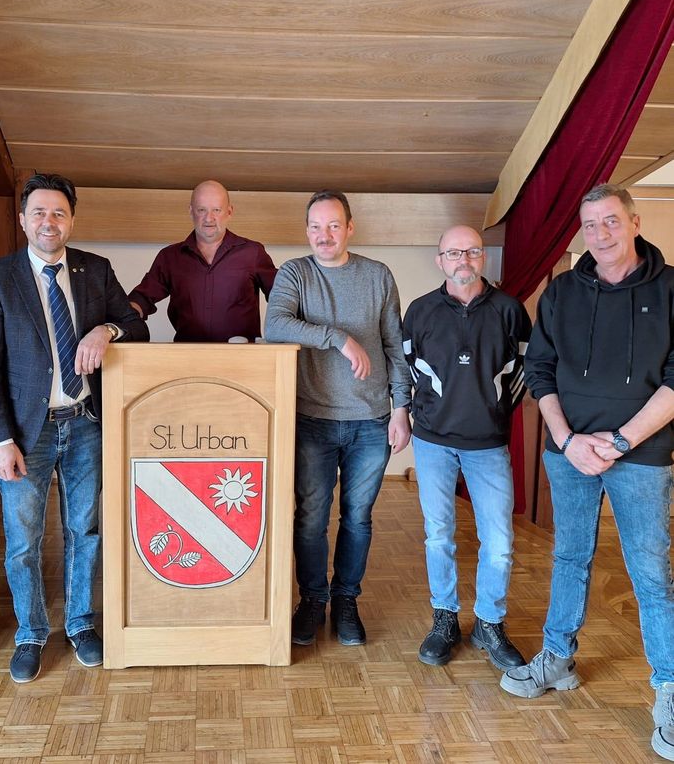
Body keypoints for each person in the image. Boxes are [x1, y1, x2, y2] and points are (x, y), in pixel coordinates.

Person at [499, 184, 674, 762]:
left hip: (641, 455)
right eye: (590, 224)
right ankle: (558, 658)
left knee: (650, 575)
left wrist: (621, 441)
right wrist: (568, 440)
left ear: (635, 222)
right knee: (569, 557)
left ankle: (669, 690)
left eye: (610, 221)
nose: (600, 233)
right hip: (570, 454)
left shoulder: (671, 288)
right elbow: (540, 370)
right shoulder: (562, 292)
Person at [0, 172, 149, 683]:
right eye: (39, 213)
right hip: (25, 432)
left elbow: (136, 326)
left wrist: (105, 329)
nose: (49, 222)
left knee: (83, 530)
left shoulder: (95, 269)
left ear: (71, 220)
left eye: (59, 213)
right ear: (22, 219)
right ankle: (31, 632)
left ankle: (80, 623)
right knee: (23, 540)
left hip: (85, 422)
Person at [265, 189, 411, 646]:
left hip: (372, 420)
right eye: (315, 226)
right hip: (313, 419)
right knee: (311, 518)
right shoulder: (295, 273)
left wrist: (402, 407)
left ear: (349, 228)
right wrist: (338, 337)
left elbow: (394, 345)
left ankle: (346, 600)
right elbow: (275, 326)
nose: (324, 235)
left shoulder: (377, 275)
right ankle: (312, 600)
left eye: (333, 225)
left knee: (358, 517)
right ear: (306, 230)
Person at [403, 225, 530, 670]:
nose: (463, 260)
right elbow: (408, 367)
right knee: (439, 535)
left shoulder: (510, 311)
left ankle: (489, 623)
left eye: (472, 251)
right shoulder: (419, 311)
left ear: (482, 258)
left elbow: (523, 372)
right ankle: (445, 618)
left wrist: (493, 414)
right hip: (432, 442)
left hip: (488, 445)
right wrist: (422, 413)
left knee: (499, 541)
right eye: (454, 252)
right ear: (440, 260)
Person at [128, 180, 276, 341]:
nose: (209, 218)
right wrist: (121, 323)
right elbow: (141, 299)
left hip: (243, 353)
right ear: (191, 211)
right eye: (201, 210)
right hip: (187, 352)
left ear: (229, 212)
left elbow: (283, 296)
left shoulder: (253, 253)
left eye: (216, 210)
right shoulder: (169, 257)